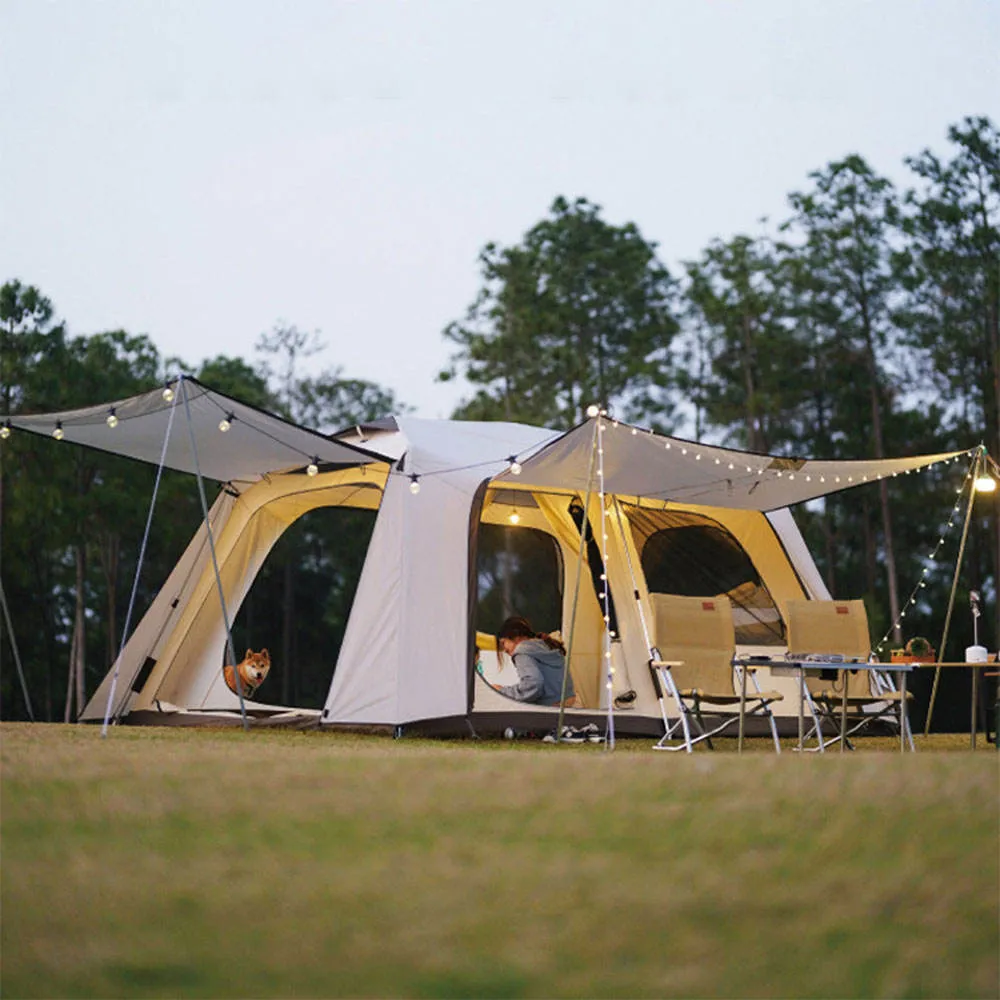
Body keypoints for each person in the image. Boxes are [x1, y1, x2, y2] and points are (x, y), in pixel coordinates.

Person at [491, 616, 575, 707]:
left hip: (551, 708)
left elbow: (533, 684)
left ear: (516, 636)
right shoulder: (544, 645)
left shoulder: (522, 651)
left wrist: (502, 691)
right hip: (568, 703)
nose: (505, 650)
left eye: (503, 643)